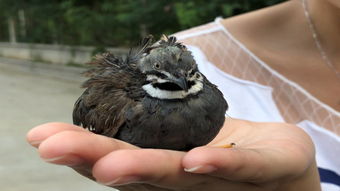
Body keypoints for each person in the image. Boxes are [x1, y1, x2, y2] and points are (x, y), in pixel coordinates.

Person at [26, 0, 339, 190]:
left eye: (187, 77)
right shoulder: (121, 102)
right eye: (165, 77)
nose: (178, 82)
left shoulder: (213, 99)